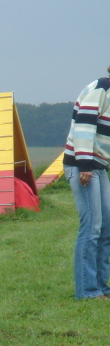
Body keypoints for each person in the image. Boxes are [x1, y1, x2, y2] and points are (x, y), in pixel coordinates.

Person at [63, 67, 110, 300]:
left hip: (99, 167)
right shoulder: (101, 88)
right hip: (83, 166)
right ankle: (88, 291)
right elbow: (84, 125)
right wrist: (84, 164)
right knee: (92, 226)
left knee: (106, 226)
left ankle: (102, 287)